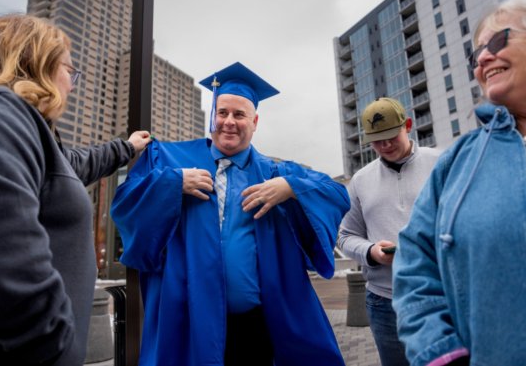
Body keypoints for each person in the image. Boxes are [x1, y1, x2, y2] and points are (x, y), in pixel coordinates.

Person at [111, 61, 350, 366]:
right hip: (189, 323)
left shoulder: (273, 172)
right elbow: (125, 203)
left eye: (239, 115)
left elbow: (337, 194)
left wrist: (290, 188)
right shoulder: (171, 159)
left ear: (255, 121)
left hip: (257, 323)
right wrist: (173, 183)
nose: (229, 122)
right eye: (222, 113)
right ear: (212, 116)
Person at [392, 0, 526, 366]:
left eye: (500, 39)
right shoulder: (457, 163)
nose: (483, 58)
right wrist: (441, 354)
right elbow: (415, 269)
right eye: (476, 53)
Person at [0, 14, 152, 366]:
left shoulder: (22, 127)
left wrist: (126, 148)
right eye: (70, 70)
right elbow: (3, 270)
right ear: (39, 63)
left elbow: (72, 166)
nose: (72, 84)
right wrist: (54, 347)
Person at [337, 97, 439, 366]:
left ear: (408, 125)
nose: (385, 146)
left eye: (391, 136)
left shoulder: (441, 162)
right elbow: (345, 236)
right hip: (385, 303)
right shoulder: (360, 180)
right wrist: (371, 252)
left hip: (442, 296)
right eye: (376, 140)